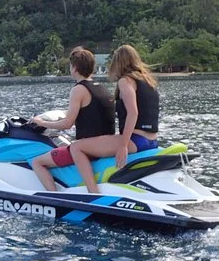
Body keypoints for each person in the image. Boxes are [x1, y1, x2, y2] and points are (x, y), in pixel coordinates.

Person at [69, 44, 159, 193]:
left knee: (76, 147)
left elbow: (133, 113)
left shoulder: (125, 81)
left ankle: (93, 193)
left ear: (118, 62)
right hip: (152, 140)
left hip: (135, 140)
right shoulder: (148, 81)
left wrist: (123, 145)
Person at [30, 47, 115, 191]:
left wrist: (41, 122)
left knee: (37, 162)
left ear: (74, 68)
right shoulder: (101, 88)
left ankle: (54, 197)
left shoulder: (78, 90)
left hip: (88, 149)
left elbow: (67, 124)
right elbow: (91, 113)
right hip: (105, 145)